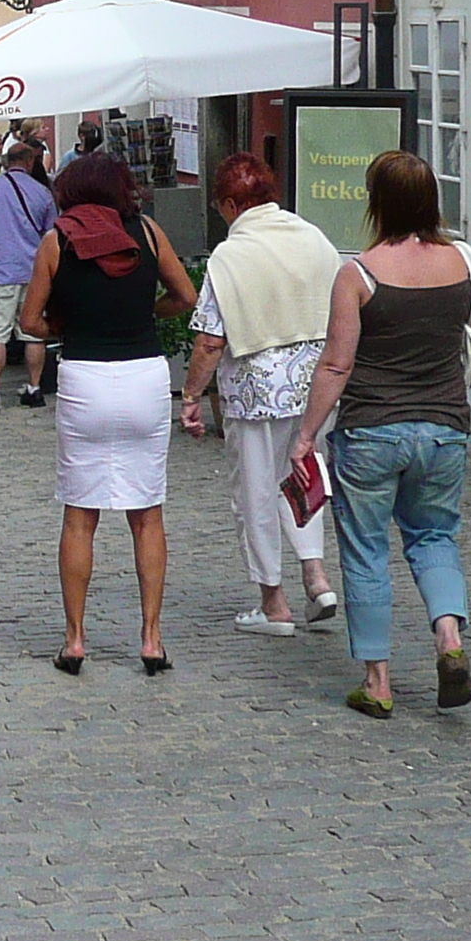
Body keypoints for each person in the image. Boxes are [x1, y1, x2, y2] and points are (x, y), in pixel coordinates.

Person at [292, 150, 471, 718]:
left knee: (365, 551)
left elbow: (336, 366)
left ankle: (378, 681)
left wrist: (306, 434)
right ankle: (449, 639)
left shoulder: (358, 274)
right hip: (443, 431)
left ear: (376, 203)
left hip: (370, 433)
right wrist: (455, 390)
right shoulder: (465, 262)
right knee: (434, 538)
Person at [14, 154, 198, 677]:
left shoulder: (58, 242)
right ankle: (151, 638)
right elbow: (184, 296)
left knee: (80, 514)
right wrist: (146, 314)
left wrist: (67, 326)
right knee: (147, 513)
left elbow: (30, 321)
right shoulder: (147, 232)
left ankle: (74, 640)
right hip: (143, 374)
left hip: (85, 379)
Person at [177, 154, 343, 636]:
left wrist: (191, 395)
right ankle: (316, 576)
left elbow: (211, 340)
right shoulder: (314, 238)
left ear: (232, 204)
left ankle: (274, 601)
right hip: (314, 386)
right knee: (303, 476)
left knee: (255, 491)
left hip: (255, 390)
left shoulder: (230, 255)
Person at [0, 141, 58, 412]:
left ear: (5, 162)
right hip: (33, 271)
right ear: (30, 162)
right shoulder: (42, 192)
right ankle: (34, 388)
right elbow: (51, 231)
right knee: (33, 333)